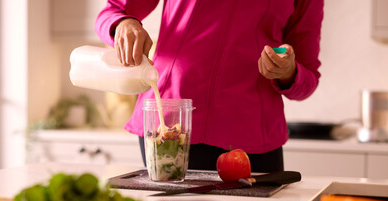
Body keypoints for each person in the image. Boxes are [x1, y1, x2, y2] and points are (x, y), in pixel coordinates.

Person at [95, 0, 324, 172]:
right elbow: (113, 11)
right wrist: (124, 24)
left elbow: (308, 77)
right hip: (170, 125)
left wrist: (288, 72)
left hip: (253, 137)